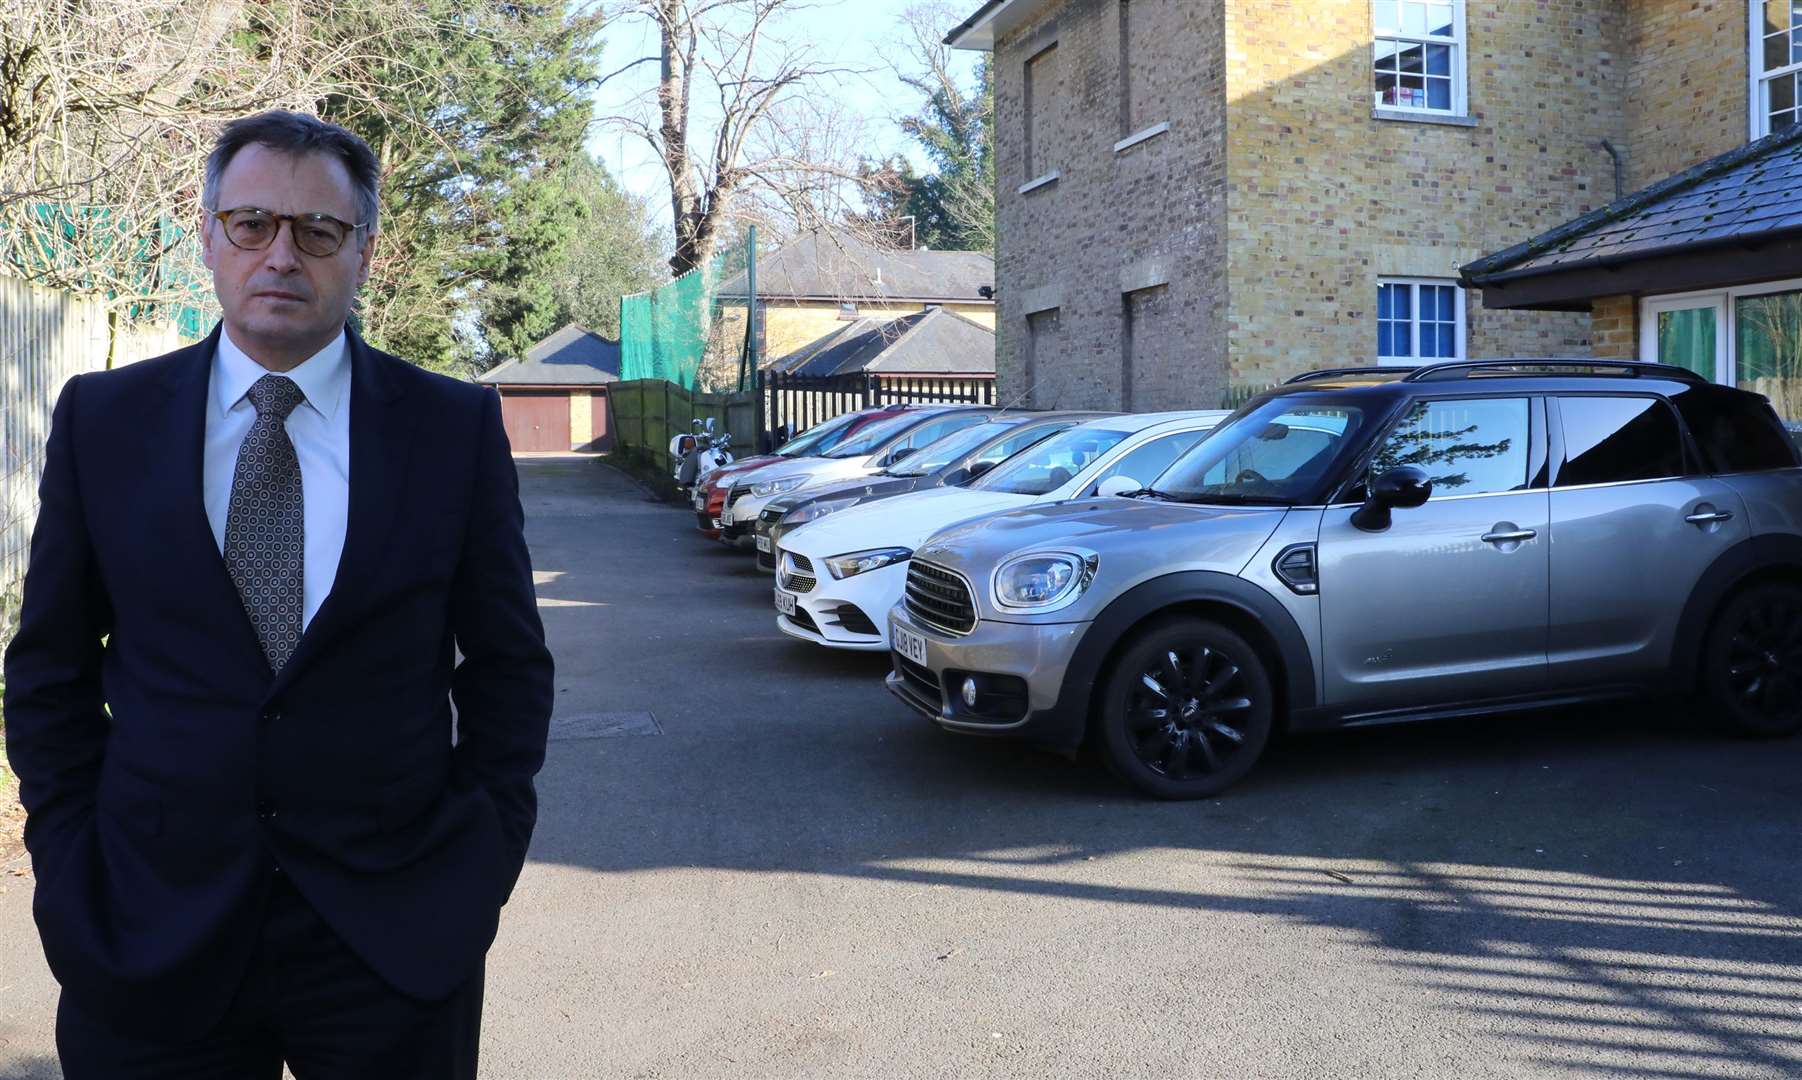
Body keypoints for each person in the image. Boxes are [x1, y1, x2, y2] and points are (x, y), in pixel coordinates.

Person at [3, 109, 554, 1078]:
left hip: (392, 942)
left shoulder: (453, 429)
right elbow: (46, 672)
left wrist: (478, 866)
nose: (281, 255)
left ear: (365, 251)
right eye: (252, 223)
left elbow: (509, 670)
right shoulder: (104, 423)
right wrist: (69, 864)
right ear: (207, 233)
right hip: (145, 934)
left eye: (318, 231)